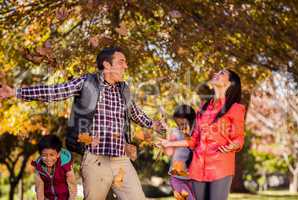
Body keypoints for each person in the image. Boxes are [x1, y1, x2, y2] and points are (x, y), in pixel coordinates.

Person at [0, 47, 165, 200]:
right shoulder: (87, 82)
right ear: (107, 65)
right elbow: (55, 91)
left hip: (121, 160)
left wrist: (153, 124)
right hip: (95, 160)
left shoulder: (124, 89)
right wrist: (16, 92)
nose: (126, 66)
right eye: (121, 62)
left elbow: (135, 112)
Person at [160, 69, 246, 200]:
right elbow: (194, 140)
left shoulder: (235, 109)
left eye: (221, 73)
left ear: (229, 84)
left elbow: (239, 137)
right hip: (197, 169)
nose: (216, 74)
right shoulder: (203, 108)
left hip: (220, 168)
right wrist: (169, 143)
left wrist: (233, 145)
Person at [164, 104, 196, 200]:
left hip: (193, 178)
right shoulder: (175, 132)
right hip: (177, 177)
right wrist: (167, 135)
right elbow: (169, 152)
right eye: (178, 123)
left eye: (183, 122)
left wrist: (187, 135)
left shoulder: (197, 133)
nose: (180, 126)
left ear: (191, 120)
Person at [32, 134, 77, 200]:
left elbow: (72, 185)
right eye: (44, 155)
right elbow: (39, 189)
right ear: (40, 155)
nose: (48, 158)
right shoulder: (39, 168)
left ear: (58, 154)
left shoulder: (65, 165)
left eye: (52, 155)